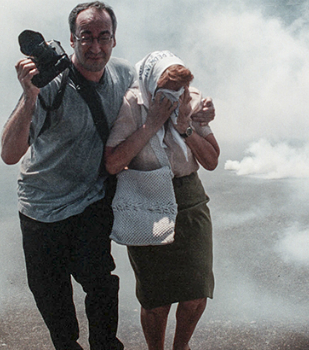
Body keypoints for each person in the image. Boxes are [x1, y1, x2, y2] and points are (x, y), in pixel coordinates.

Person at [1, 2, 133, 349]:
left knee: (102, 284)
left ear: (114, 40)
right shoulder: (51, 86)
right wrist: (29, 95)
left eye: (103, 37)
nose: (95, 47)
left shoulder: (123, 76)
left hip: (90, 203)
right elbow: (9, 153)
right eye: (86, 37)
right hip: (41, 209)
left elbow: (159, 91)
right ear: (71, 39)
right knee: (54, 299)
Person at [105, 51, 219, 350]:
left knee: (196, 289)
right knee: (157, 296)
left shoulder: (190, 100)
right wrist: (152, 123)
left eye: (179, 91)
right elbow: (114, 163)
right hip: (147, 199)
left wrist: (186, 128)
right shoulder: (133, 104)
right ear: (149, 86)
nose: (173, 98)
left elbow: (211, 160)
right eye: (165, 92)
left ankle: (181, 346)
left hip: (189, 197)